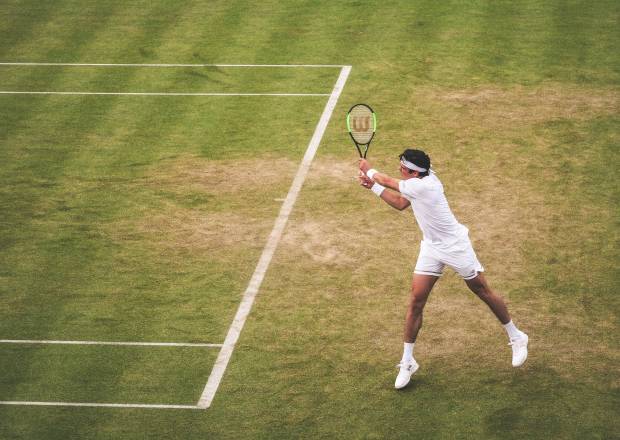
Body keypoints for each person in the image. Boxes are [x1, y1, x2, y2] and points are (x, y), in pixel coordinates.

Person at [358, 149, 528, 390]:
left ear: (413, 172)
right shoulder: (418, 182)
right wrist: (372, 187)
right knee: (416, 301)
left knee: (482, 290)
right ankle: (408, 362)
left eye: (402, 168)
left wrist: (369, 169)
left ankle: (516, 336)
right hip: (431, 247)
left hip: (456, 246)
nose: (399, 170)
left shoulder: (423, 186)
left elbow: (386, 180)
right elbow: (399, 203)